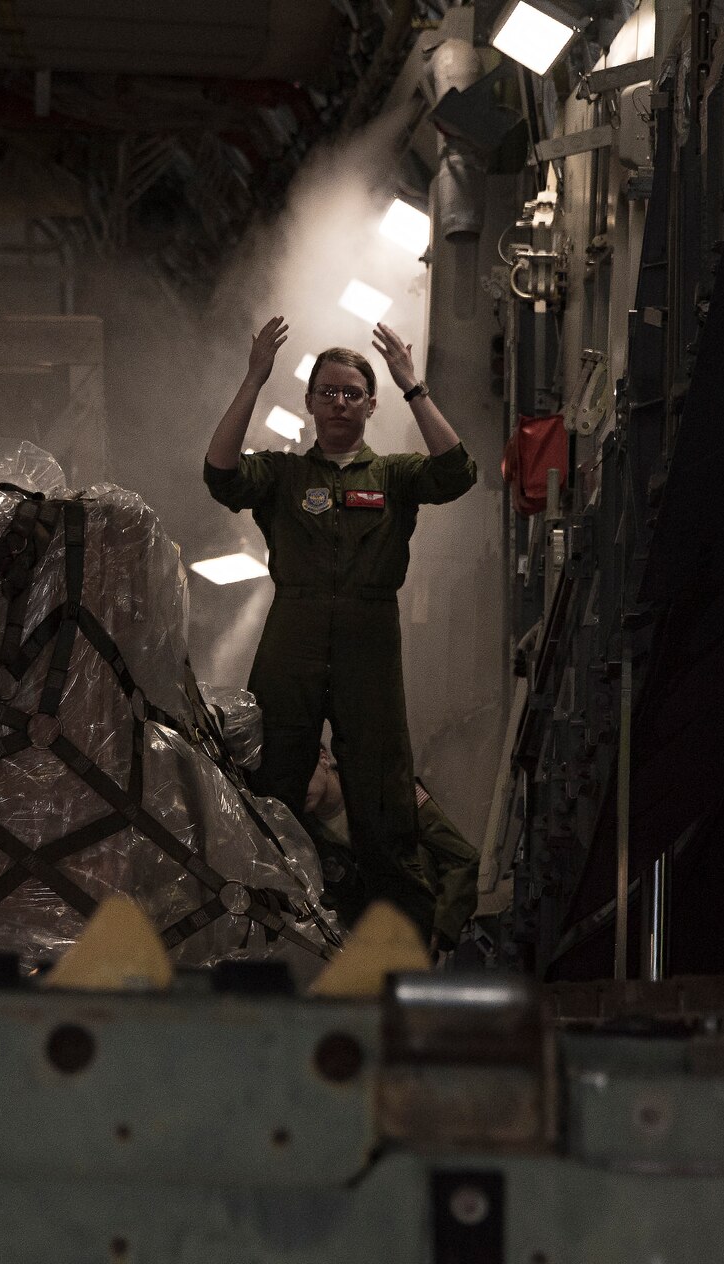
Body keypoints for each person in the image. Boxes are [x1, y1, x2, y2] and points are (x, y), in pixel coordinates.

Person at [204, 316, 476, 933]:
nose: (339, 402)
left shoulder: (396, 476)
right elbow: (219, 475)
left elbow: (458, 473)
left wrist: (414, 384)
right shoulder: (282, 475)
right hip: (291, 631)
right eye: (328, 390)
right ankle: (264, 935)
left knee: (383, 799)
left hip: (369, 637)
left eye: (353, 392)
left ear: (371, 404)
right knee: (270, 785)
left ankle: (398, 950)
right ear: (309, 401)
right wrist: (252, 378)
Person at [304, 746, 480, 950]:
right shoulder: (301, 832)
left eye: (300, 771)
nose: (296, 785)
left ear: (323, 758)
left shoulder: (389, 791)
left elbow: (462, 859)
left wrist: (437, 930)